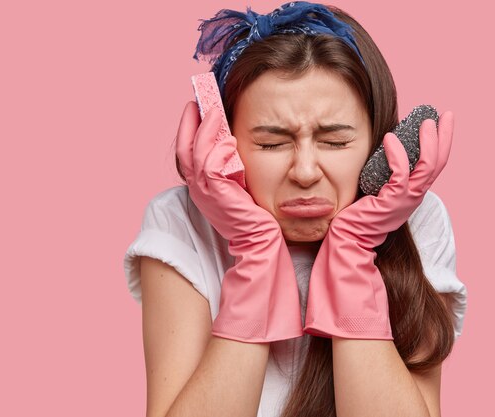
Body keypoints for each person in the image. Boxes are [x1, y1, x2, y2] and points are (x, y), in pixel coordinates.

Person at [124, 2, 467, 416]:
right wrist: (256, 257)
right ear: (221, 143)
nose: (305, 172)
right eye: (272, 143)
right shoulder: (180, 221)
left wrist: (353, 255)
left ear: (377, 143)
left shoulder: (418, 219)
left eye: (335, 142)